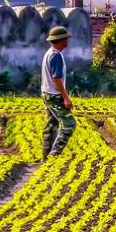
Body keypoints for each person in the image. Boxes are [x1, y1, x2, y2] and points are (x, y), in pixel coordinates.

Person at [41, 26, 76, 160]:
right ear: (61, 40)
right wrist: (66, 98)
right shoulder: (56, 56)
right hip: (54, 95)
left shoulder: (49, 53)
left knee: (51, 124)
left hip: (46, 93)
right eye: (66, 38)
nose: (68, 40)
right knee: (69, 124)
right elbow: (56, 78)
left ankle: (46, 156)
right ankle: (54, 154)